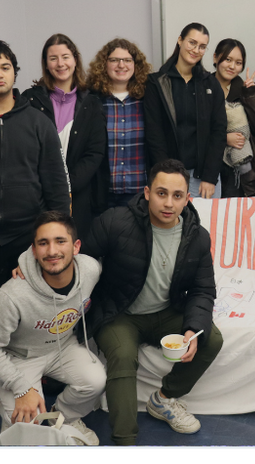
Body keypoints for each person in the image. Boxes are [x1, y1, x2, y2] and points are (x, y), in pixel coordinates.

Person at [0, 40, 71, 417]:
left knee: (30, 309)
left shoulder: (37, 121)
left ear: (15, 73)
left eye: (5, 66)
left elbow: (55, 183)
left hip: (26, 238)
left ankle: (43, 367)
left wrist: (53, 237)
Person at [82, 159, 222, 445]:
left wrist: (192, 327)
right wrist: (30, 268)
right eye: (161, 193)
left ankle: (164, 399)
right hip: (120, 312)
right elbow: (77, 261)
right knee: (122, 358)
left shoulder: (197, 237)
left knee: (211, 338)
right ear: (147, 193)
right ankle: (125, 442)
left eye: (177, 195)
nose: (168, 203)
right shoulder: (115, 221)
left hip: (166, 312)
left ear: (187, 199)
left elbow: (202, 290)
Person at [0, 211, 103, 444]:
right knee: (25, 424)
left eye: (60, 241)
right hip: (19, 357)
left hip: (63, 346)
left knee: (95, 381)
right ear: (33, 251)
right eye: (43, 243)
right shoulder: (12, 295)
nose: (52, 251)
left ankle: (63, 417)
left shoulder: (91, 270)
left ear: (76, 247)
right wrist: (21, 388)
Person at [24, 34, 107, 240]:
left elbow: (94, 153)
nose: (60, 64)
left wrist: (66, 186)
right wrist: (48, 187)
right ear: (46, 63)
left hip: (78, 198)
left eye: (65, 57)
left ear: (75, 60)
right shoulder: (30, 100)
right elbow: (25, 150)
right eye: (53, 58)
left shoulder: (92, 103)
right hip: (38, 195)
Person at [144, 22, 227, 199]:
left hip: (203, 178)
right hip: (168, 177)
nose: (196, 50)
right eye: (192, 43)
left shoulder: (211, 84)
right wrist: (166, 176)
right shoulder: (156, 83)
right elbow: (154, 133)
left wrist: (210, 177)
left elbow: (218, 132)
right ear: (180, 41)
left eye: (202, 46)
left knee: (206, 226)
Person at [86, 38, 152, 209]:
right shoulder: (92, 100)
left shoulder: (148, 99)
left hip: (139, 190)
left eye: (127, 60)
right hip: (102, 191)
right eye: (114, 60)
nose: (121, 65)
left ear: (136, 65)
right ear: (104, 65)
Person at [212, 38, 255, 197]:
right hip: (212, 165)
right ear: (215, 57)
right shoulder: (204, 87)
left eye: (238, 62)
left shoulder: (245, 89)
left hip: (245, 168)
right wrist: (224, 138)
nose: (232, 66)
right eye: (227, 59)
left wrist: (252, 95)